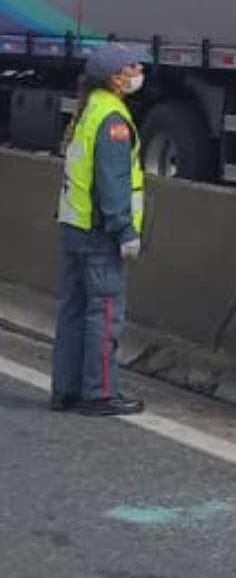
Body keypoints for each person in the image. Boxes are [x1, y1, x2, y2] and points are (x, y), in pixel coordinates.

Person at [51, 43, 146, 416]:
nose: (139, 71)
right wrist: (125, 230)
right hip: (100, 232)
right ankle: (100, 393)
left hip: (74, 225)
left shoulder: (88, 109)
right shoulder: (113, 120)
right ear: (115, 77)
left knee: (73, 311)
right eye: (133, 66)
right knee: (105, 313)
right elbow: (112, 181)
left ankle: (66, 390)